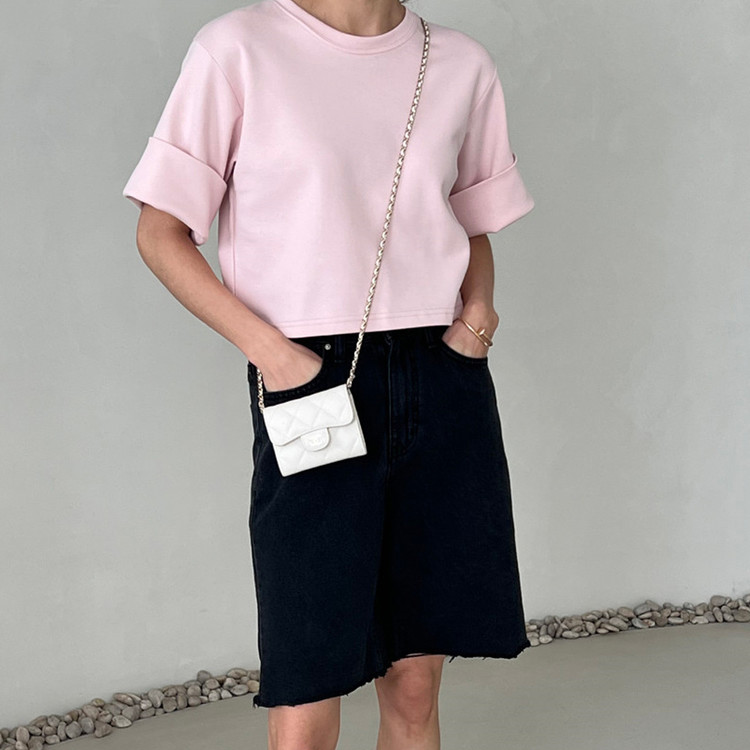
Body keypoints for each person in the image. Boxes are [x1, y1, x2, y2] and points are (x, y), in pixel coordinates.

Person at [122, 0, 535, 747]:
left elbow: (468, 218)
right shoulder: (238, 49)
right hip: (309, 377)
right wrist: (277, 356)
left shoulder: (460, 62)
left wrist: (477, 320)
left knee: (416, 680)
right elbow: (160, 232)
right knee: (309, 687)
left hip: (442, 375)